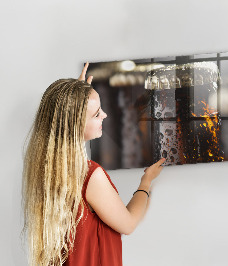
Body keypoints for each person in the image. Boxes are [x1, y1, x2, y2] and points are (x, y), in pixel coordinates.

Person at [22, 63, 165, 266]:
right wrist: (146, 182)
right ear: (75, 124)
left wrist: (75, 97)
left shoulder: (44, 168)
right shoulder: (90, 176)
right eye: (97, 114)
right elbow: (128, 223)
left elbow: (63, 119)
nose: (104, 115)